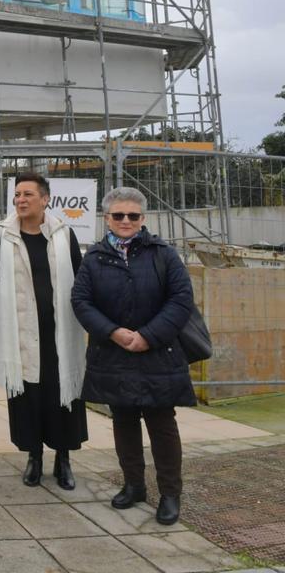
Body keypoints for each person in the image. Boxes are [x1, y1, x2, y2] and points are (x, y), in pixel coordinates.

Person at [72, 187, 195, 525]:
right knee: (123, 420)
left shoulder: (163, 254)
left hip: (157, 353)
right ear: (107, 218)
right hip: (114, 353)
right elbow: (81, 301)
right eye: (118, 215)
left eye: (133, 216)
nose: (125, 221)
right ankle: (134, 485)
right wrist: (113, 331)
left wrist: (148, 336)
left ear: (143, 218)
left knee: (161, 424)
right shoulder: (94, 258)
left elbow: (181, 299)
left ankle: (170, 493)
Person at [0, 171, 85, 490]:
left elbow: (79, 279)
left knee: (62, 395)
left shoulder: (63, 234)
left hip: (60, 332)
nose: (21, 200)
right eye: (17, 194)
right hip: (20, 331)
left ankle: (64, 459)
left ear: (45, 199)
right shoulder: (1, 235)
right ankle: (35, 458)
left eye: (28, 194)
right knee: (30, 396)